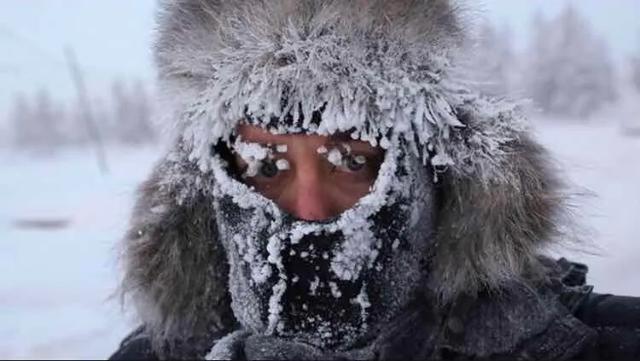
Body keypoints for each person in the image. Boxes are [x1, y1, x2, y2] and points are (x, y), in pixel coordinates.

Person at [110, 1, 640, 359]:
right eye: (266, 167)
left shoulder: (580, 342)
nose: (310, 210)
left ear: (426, 171)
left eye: (350, 161)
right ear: (211, 186)